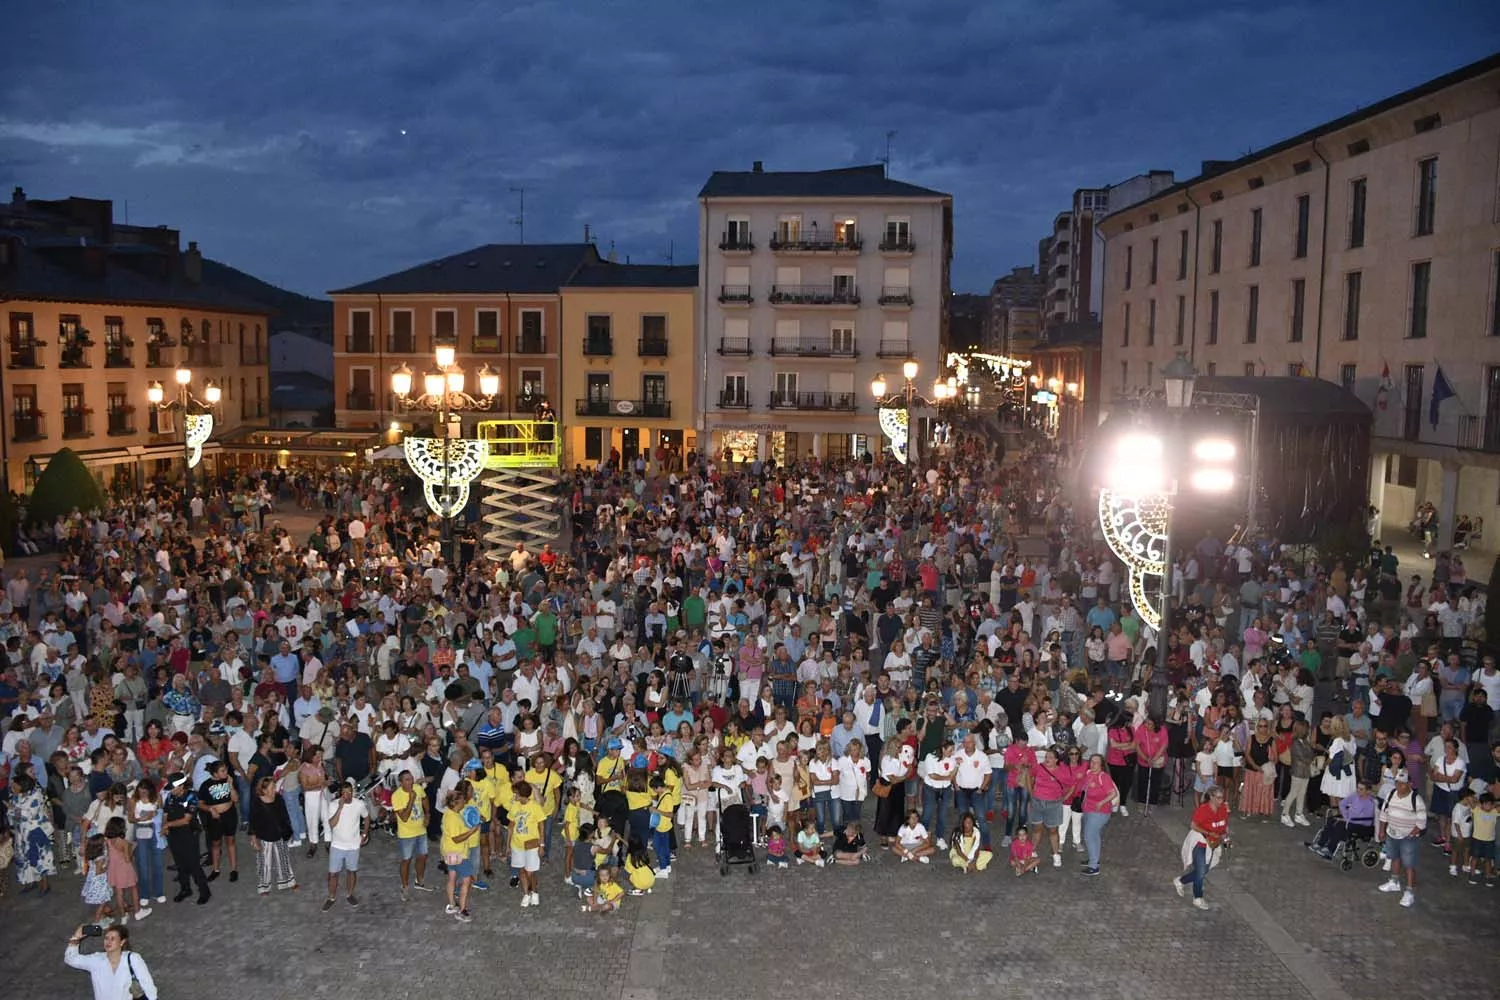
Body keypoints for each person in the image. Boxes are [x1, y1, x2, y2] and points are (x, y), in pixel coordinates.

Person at [65, 922, 158, 1000]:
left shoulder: (133, 958)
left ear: (122, 942)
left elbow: (148, 985)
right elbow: (71, 959)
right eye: (106, 938)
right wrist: (76, 937)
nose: (108, 942)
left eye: (112, 939)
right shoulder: (96, 960)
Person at [1376, 769, 1427, 908]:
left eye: (1402, 784)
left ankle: (1409, 892)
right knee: (1394, 858)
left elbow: (1422, 822)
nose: (1399, 786)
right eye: (1397, 783)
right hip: (1392, 834)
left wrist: (1410, 833)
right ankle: (1394, 882)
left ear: (1409, 784)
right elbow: (1384, 814)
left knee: (1409, 864)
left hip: (1408, 838)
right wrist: (1381, 830)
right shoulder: (1391, 794)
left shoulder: (1416, 799)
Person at [1174, 784, 1229, 910]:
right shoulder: (1203, 809)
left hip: (1213, 843)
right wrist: (1208, 833)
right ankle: (1198, 897)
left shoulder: (1223, 809)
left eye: (1222, 798)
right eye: (1219, 798)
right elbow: (1193, 825)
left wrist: (1225, 837)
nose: (1221, 801)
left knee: (1204, 870)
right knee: (1200, 871)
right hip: (1200, 842)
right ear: (1211, 797)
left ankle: (1181, 881)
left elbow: (1224, 825)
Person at [161, 772, 210, 904]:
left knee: (193, 864)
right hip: (174, 835)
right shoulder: (171, 796)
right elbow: (165, 811)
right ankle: (185, 889)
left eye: (173, 787)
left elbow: (186, 820)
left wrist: (167, 825)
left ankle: (204, 890)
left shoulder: (191, 797)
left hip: (188, 834)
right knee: (180, 864)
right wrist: (164, 826)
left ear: (181, 786)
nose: (171, 790)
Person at [322, 778, 369, 911]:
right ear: (340, 793)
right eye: (345, 793)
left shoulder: (359, 804)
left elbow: (366, 818)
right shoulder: (333, 805)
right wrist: (340, 808)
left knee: (351, 871)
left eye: (350, 792)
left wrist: (364, 834)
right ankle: (331, 897)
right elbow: (331, 824)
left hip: (353, 845)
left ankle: (349, 894)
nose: (348, 795)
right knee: (333, 874)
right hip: (337, 845)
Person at [248, 776, 298, 895]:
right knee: (264, 863)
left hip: (279, 835)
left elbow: (284, 816)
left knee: (284, 859)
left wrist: (287, 831)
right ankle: (264, 886)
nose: (275, 789)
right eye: (272, 787)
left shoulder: (279, 798)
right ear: (264, 790)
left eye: (274, 786)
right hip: (264, 837)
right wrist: (254, 840)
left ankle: (288, 881)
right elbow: (252, 822)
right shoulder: (257, 802)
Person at [391, 770, 434, 900]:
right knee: (406, 860)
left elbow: (425, 799)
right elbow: (403, 817)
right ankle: (404, 887)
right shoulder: (396, 796)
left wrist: (427, 814)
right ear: (401, 782)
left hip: (420, 830)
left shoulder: (418, 788)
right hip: (406, 834)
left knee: (422, 856)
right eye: (407, 780)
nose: (410, 782)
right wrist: (411, 800)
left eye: (411, 779)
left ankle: (419, 881)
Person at [1079, 753, 1119, 877]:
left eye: (1096, 762)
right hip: (1089, 810)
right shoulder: (1089, 774)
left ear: (1101, 765)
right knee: (1095, 836)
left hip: (1099, 812)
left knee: (1089, 836)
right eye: (1092, 761)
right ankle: (1094, 858)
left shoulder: (1104, 777)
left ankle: (1093, 866)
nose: (1093, 764)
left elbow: (1112, 793)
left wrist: (1101, 802)